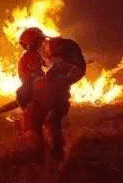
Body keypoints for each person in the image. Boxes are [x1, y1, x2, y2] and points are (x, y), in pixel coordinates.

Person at [15, 27, 86, 160]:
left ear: (32, 43)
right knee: (52, 120)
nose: (27, 50)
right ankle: (56, 155)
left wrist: (30, 91)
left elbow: (51, 72)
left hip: (54, 90)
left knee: (34, 120)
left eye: (27, 46)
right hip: (59, 90)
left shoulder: (48, 49)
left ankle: (40, 155)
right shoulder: (56, 46)